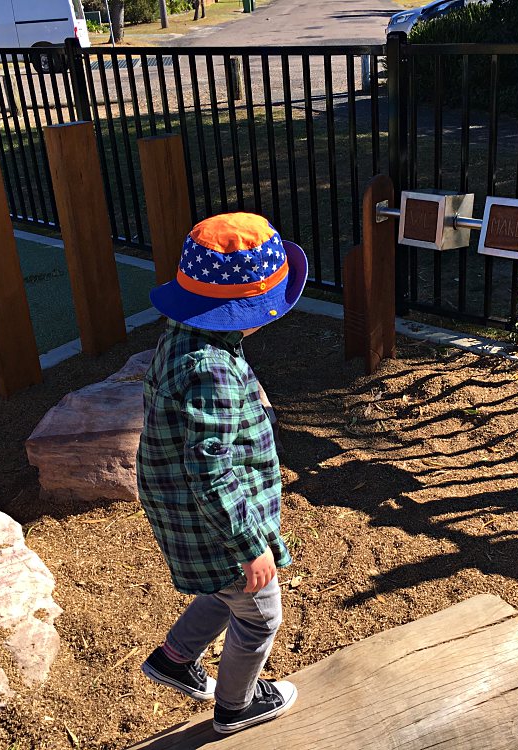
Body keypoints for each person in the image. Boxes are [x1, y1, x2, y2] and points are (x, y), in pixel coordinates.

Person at [135, 212, 307, 735]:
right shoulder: (209, 369)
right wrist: (251, 543)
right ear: (243, 312)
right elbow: (210, 472)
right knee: (259, 614)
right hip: (213, 517)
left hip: (188, 512)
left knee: (224, 588)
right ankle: (237, 705)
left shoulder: (185, 337)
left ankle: (174, 658)